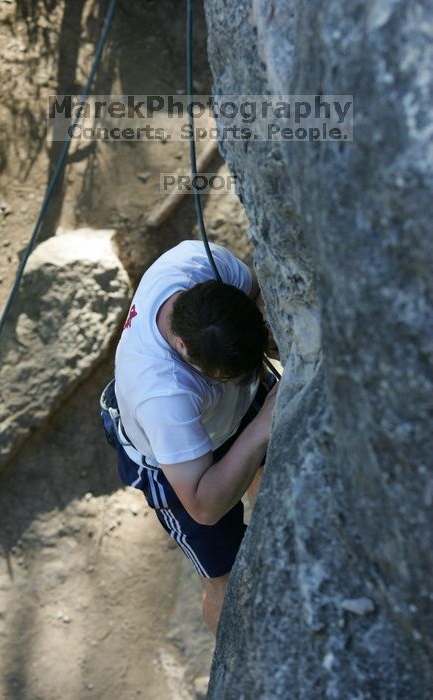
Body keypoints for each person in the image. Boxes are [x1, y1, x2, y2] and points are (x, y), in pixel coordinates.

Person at [100, 239, 279, 632]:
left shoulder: (199, 261)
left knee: (269, 481)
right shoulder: (162, 395)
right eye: (225, 377)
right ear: (181, 347)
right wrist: (263, 427)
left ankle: (272, 523)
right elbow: (203, 505)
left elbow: (255, 293)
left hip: (231, 410)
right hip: (177, 469)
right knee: (225, 579)